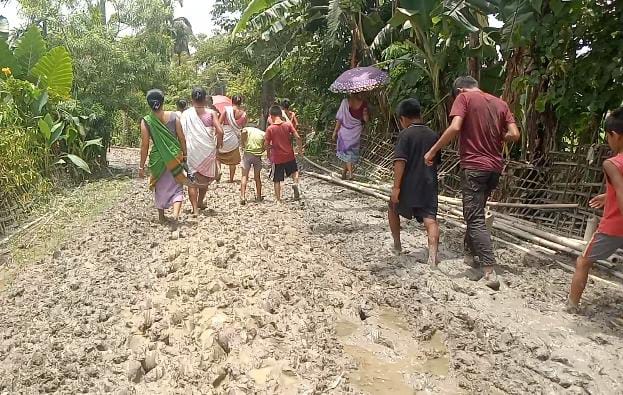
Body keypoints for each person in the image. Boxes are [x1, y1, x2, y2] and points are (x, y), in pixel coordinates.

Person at [424, 76, 520, 290]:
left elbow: (456, 127)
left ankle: (488, 269)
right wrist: (499, 137)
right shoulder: (500, 103)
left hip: (474, 166)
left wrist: (433, 150)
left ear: (459, 90)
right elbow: (515, 134)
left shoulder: (464, 98)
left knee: (474, 216)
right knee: (476, 210)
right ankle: (470, 255)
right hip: (495, 167)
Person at [568, 108, 623, 311]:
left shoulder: (612, 163)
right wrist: (607, 196)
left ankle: (571, 306)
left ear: (614, 135)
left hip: (614, 227)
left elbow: (621, 190)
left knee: (583, 261)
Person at [389, 98, 440, 266]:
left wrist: (396, 187)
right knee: (430, 220)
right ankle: (432, 257)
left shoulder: (405, 134)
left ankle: (397, 245)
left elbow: (400, 161)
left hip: (408, 185)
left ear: (403, 118)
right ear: (420, 114)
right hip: (428, 184)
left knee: (392, 208)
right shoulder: (433, 135)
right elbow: (436, 161)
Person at [139, 89, 188, 224]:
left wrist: (141, 166)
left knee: (159, 186)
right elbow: (182, 138)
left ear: (148, 104)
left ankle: (161, 216)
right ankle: (176, 214)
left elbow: (144, 145)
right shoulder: (173, 116)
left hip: (158, 159)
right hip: (175, 156)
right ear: (162, 102)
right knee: (177, 185)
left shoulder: (146, 121)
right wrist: (185, 155)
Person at [181, 87, 224, 214]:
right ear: (205, 98)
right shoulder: (211, 113)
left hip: (192, 150)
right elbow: (220, 131)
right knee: (204, 177)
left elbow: (181, 134)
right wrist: (219, 143)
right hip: (207, 150)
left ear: (192, 99)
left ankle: (195, 209)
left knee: (192, 179)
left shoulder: (186, 114)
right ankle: (200, 201)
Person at [265, 105, 303, 202]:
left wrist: (269, 155)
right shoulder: (288, 125)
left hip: (277, 157)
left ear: (271, 116)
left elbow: (267, 145)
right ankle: (295, 183)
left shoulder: (270, 129)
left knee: (277, 179)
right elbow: (298, 137)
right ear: (281, 114)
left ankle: (278, 199)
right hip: (289, 155)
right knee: (294, 171)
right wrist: (300, 150)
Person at [333, 93, 369, 180]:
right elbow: (366, 120)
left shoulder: (345, 102)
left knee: (347, 152)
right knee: (349, 152)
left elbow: (340, 119)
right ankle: (344, 173)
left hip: (345, 130)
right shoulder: (363, 103)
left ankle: (350, 174)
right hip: (356, 131)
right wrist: (365, 113)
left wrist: (335, 131)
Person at [219, 95, 247, 183]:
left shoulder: (226, 110)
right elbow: (243, 126)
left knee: (217, 157)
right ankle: (231, 179)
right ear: (241, 102)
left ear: (232, 101)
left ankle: (218, 174)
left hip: (225, 136)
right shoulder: (244, 114)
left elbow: (219, 123)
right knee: (233, 161)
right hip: (234, 138)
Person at [240, 124, 266, 205]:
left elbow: (243, 132)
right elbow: (266, 143)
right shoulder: (263, 133)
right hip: (257, 155)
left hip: (247, 154)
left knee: (244, 176)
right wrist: (262, 149)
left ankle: (243, 196)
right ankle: (258, 196)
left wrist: (243, 144)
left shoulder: (247, 128)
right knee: (257, 177)